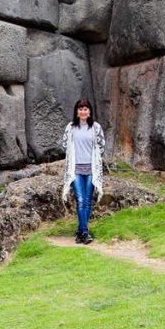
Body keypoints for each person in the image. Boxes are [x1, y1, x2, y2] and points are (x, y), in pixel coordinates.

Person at [59, 98, 105, 244]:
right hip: (76, 170)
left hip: (91, 170)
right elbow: (65, 144)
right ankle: (85, 232)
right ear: (77, 112)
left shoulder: (95, 128)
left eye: (85, 109)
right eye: (80, 109)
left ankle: (81, 232)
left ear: (89, 111)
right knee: (80, 200)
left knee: (87, 200)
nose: (83, 111)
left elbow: (101, 146)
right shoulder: (71, 128)